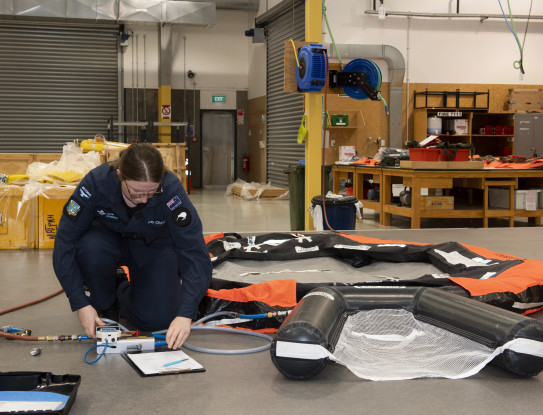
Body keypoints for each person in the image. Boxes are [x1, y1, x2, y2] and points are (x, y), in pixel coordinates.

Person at [53, 143, 212, 349]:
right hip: (106, 243)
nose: (144, 199)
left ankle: (123, 291)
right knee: (91, 249)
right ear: (120, 175)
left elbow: (195, 252)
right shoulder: (95, 184)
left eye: (151, 192)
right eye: (136, 192)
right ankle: (105, 304)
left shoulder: (171, 191)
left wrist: (185, 313)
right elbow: (65, 242)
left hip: (153, 247)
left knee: (160, 321)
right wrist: (80, 303)